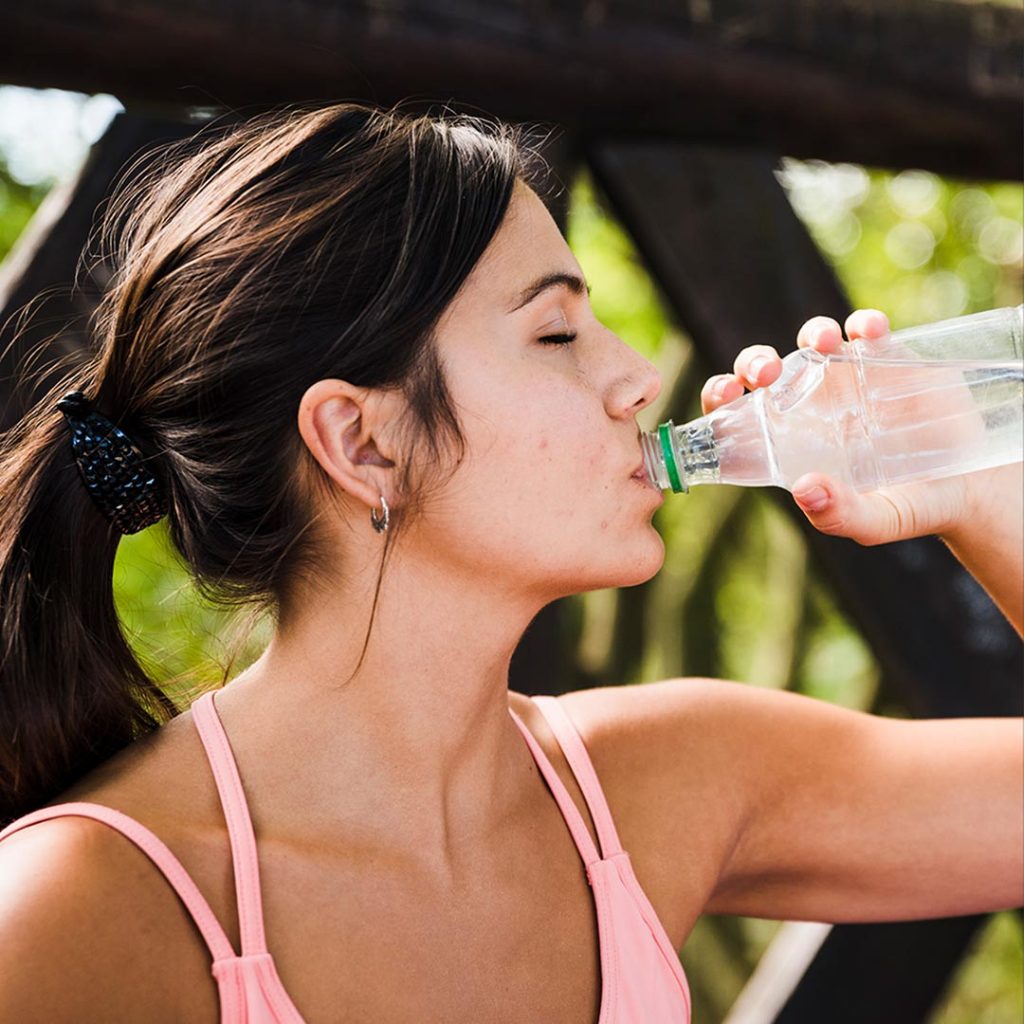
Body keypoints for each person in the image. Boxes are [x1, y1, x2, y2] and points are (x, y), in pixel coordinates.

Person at [0, 102, 1020, 1024]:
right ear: (362, 443)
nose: (631, 377)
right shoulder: (87, 907)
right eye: (557, 330)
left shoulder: (661, 784)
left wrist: (975, 498)